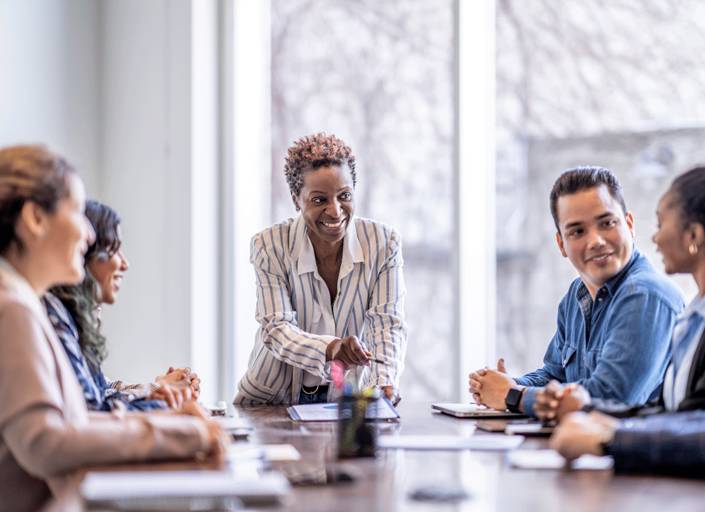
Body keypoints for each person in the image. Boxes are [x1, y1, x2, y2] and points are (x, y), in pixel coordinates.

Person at [0, 145, 223, 511]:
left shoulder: (21, 302)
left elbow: (73, 421)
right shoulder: (13, 308)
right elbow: (43, 443)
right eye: (76, 211)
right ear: (35, 219)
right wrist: (183, 434)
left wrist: (176, 427)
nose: (88, 234)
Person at [550, 156, 705, 481]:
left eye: (661, 223)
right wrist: (593, 414)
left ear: (692, 235)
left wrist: (611, 437)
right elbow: (698, 415)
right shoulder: (698, 314)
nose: (655, 238)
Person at [469, 166, 684, 417]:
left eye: (607, 223)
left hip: (633, 452)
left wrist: (512, 396)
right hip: (581, 448)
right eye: (577, 231)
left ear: (629, 224)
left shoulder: (646, 295)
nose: (596, 241)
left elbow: (610, 398)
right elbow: (554, 375)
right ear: (561, 244)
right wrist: (504, 385)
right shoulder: (577, 294)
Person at [234, 133, 406, 405]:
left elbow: (387, 324)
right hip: (271, 402)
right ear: (296, 200)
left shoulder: (383, 244)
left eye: (344, 196)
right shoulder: (270, 245)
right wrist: (331, 348)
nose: (336, 211)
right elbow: (277, 329)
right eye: (319, 200)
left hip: (343, 402)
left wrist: (383, 384)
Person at [47, 199, 200, 412]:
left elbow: (102, 389)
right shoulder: (54, 315)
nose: (125, 264)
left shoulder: (73, 317)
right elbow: (93, 411)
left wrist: (157, 388)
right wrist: (160, 400)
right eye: (113, 250)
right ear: (84, 253)